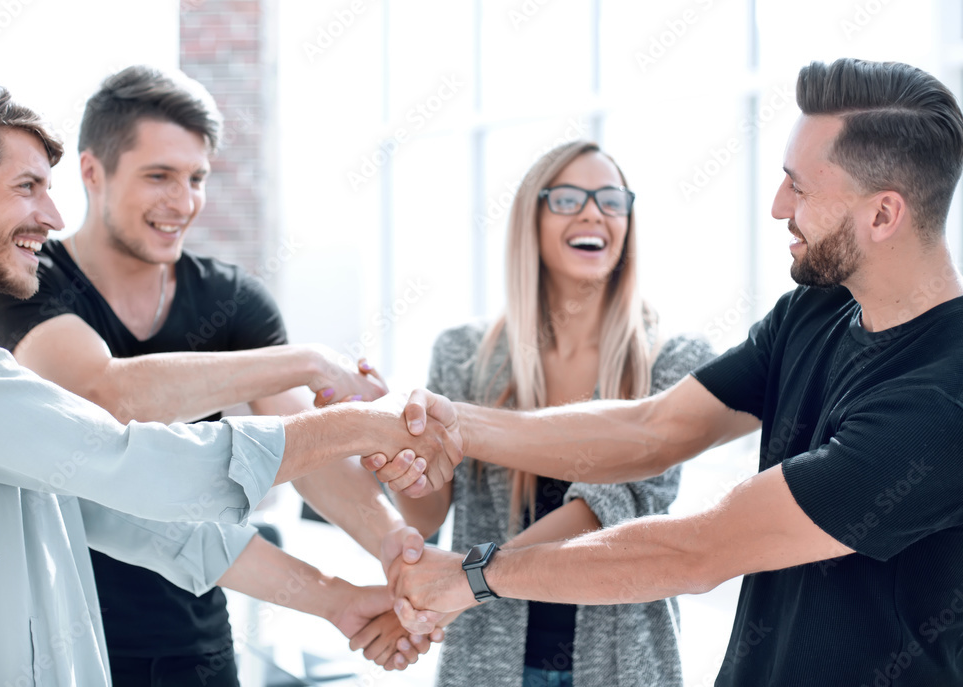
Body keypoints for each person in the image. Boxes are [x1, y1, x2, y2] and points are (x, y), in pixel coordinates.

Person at [375, 58, 963, 686]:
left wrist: (476, 575)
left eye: (800, 188)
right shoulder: (815, 311)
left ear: (882, 216)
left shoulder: (939, 406)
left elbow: (698, 550)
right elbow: (654, 427)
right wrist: (453, 425)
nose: (776, 207)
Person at [0, 86, 454, 686]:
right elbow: (115, 435)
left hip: (186, 647)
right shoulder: (13, 312)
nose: (53, 214)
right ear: (97, 172)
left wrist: (365, 577)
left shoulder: (230, 298)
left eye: (196, 177)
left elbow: (137, 519)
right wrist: (331, 395)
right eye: (26, 187)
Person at [389, 140, 713, 687]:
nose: (593, 212)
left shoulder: (675, 360)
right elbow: (426, 517)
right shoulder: (461, 355)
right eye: (567, 199)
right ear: (530, 221)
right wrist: (397, 454)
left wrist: (469, 583)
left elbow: (609, 508)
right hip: (486, 665)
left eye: (611, 200)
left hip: (621, 665)